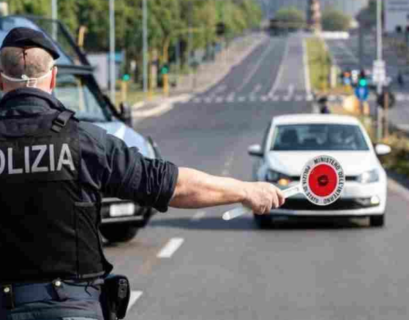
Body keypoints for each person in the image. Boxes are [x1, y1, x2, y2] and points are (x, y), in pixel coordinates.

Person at [0, 27, 285, 320]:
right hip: (73, 309)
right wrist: (245, 190)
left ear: (0, 78)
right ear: (54, 77)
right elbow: (172, 185)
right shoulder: (85, 141)